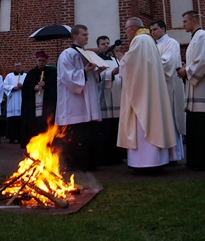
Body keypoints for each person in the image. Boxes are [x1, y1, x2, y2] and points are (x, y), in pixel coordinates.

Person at [117, 17, 176, 173]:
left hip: (142, 94)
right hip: (150, 91)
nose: (125, 34)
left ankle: (145, 163)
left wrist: (121, 60)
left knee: (143, 125)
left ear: (132, 28)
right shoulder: (149, 40)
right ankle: (157, 161)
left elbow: (131, 65)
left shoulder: (139, 41)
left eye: (126, 30)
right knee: (153, 122)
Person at [55, 24, 102, 172]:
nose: (87, 36)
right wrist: (84, 70)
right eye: (84, 34)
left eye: (87, 34)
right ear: (75, 36)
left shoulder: (86, 53)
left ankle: (88, 163)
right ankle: (74, 163)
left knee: (87, 133)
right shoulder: (67, 54)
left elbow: (89, 76)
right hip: (73, 101)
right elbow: (66, 77)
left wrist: (96, 71)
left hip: (86, 99)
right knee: (75, 134)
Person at [181, 10, 205, 170]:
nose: (183, 25)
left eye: (185, 21)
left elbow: (204, 62)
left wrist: (186, 71)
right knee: (196, 125)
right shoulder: (196, 37)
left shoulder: (202, 36)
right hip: (195, 89)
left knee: (203, 127)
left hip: (204, 89)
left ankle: (204, 161)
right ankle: (196, 161)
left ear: (194, 21)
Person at [150, 19, 186, 163]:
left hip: (170, 86)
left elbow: (167, 62)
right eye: (151, 30)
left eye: (156, 29)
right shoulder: (153, 46)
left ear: (164, 29)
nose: (153, 33)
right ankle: (165, 155)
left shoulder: (171, 43)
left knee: (172, 119)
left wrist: (149, 64)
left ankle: (175, 155)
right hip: (160, 88)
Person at [95, 35, 124, 166]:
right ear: (98, 47)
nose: (106, 45)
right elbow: (97, 78)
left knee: (117, 127)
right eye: (103, 44)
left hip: (118, 97)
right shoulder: (95, 61)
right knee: (106, 129)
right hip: (104, 98)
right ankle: (105, 157)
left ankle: (118, 155)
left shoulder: (114, 59)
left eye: (108, 43)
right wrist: (111, 74)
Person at [19, 51, 56, 148]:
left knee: (45, 122)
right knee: (33, 123)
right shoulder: (31, 74)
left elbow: (56, 88)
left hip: (46, 104)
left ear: (46, 61)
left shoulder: (51, 73)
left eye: (43, 61)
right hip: (33, 103)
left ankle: (46, 145)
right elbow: (25, 89)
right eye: (39, 60)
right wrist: (33, 88)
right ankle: (33, 145)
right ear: (36, 61)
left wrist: (46, 85)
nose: (41, 63)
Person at [2, 62, 26, 143]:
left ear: (21, 67)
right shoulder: (9, 76)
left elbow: (29, 86)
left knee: (21, 119)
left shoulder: (25, 76)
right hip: (12, 100)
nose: (18, 68)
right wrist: (13, 87)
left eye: (19, 66)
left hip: (21, 99)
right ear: (14, 67)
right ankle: (11, 137)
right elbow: (4, 85)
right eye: (16, 66)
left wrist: (22, 86)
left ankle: (20, 137)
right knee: (12, 119)